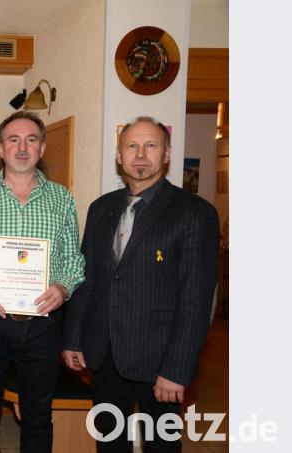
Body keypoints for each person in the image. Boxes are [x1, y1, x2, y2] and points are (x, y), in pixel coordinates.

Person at [62, 116, 219, 452]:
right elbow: (86, 279)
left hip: (159, 361)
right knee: (109, 441)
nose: (141, 155)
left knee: (161, 444)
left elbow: (196, 300)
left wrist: (176, 369)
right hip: (103, 356)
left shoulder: (194, 213)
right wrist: (74, 338)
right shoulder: (100, 208)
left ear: (167, 154)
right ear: (119, 156)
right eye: (132, 146)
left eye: (151, 146)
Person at [0, 110, 85, 452]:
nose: (22, 147)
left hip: (42, 325)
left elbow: (73, 260)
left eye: (31, 139)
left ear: (42, 148)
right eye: (13, 140)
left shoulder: (62, 198)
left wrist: (62, 287)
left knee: (38, 415)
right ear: (0, 149)